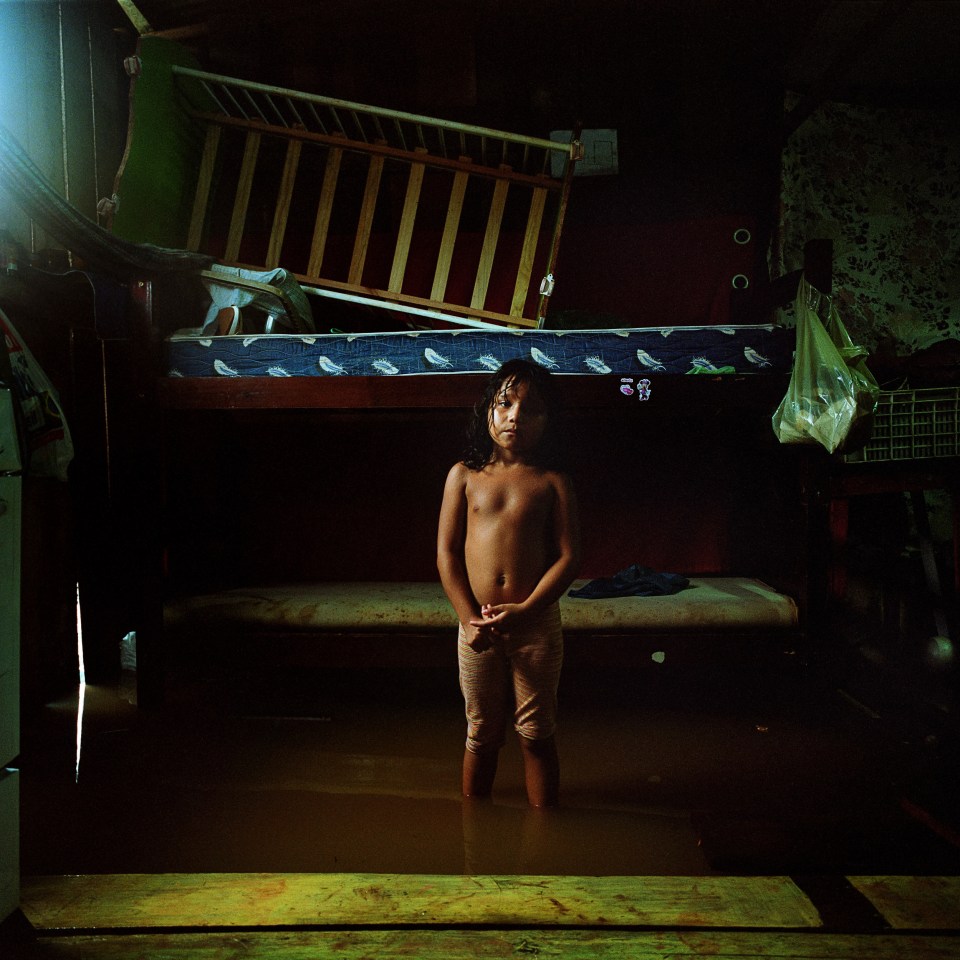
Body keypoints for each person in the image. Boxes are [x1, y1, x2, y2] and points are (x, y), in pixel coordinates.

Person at [437, 358, 581, 807]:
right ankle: (474, 834)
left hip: (534, 625)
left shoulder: (553, 481)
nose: (514, 416)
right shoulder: (463, 475)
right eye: (504, 404)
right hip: (477, 627)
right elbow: (446, 554)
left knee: (536, 735)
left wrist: (528, 609)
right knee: (481, 734)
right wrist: (467, 619)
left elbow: (570, 557)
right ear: (488, 411)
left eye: (530, 409)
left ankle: (544, 833)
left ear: (548, 421)